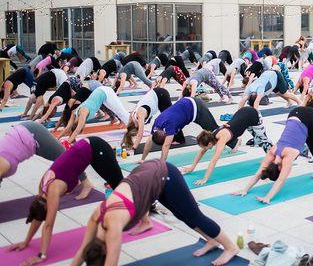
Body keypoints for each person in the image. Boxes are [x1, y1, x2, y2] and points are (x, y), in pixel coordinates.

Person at [70, 159, 238, 266]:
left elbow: (111, 263)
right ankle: (212, 241)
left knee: (194, 216)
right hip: (148, 178)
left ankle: (231, 247)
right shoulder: (94, 220)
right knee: (180, 214)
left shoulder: (113, 225)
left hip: (164, 174)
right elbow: (80, 253)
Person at [8, 137, 122, 264]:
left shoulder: (53, 191)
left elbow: (48, 225)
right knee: (118, 185)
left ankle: (144, 219)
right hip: (85, 148)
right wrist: (26, 241)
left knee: (120, 186)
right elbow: (37, 217)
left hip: (96, 147)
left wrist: (41, 255)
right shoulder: (42, 187)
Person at [233, 107, 313, 203]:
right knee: (311, 143)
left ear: (279, 169)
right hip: (293, 114)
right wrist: (245, 190)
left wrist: (268, 197)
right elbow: (259, 173)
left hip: (309, 115)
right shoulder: (272, 151)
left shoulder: (288, 156)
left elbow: (281, 180)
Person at [185, 107, 272, 185]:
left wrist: (205, 179)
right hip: (244, 115)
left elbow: (214, 160)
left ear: (210, 144)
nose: (203, 149)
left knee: (264, 141)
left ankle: (275, 160)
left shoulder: (222, 138)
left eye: (204, 147)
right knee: (258, 140)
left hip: (253, 115)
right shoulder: (212, 135)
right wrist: (192, 167)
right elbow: (201, 152)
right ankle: (267, 155)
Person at [0, 122, 87, 187]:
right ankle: (78, 180)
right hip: (23, 133)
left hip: (33, 134)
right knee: (65, 159)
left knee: (66, 158)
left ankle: (86, 183)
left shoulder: (3, 165)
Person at [141, 96, 219, 162]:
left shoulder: (170, 126)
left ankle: (229, 143)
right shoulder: (157, 124)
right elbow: (149, 141)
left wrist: (162, 164)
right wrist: (143, 159)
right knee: (213, 132)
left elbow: (166, 145)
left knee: (215, 131)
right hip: (186, 102)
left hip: (197, 107)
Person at [60, 86, 131, 143]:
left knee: (120, 111)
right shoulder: (74, 113)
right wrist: (57, 139)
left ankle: (133, 126)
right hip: (99, 92)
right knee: (117, 111)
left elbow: (76, 131)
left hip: (106, 92)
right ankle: (132, 125)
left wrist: (67, 143)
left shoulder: (83, 115)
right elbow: (67, 128)